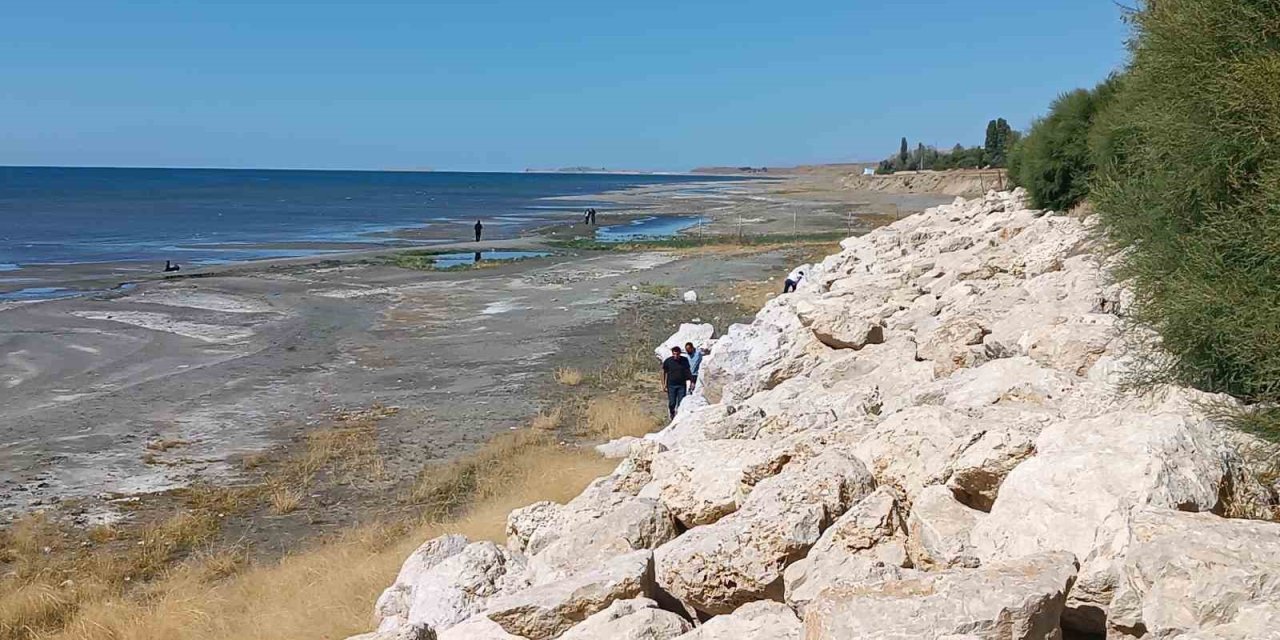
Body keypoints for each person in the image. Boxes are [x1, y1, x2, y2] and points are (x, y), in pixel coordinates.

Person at [661, 346, 692, 419]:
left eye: (677, 354)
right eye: (674, 354)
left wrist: (691, 381)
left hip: (682, 385)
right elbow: (663, 372)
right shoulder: (668, 361)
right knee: (672, 403)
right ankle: (672, 412)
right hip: (671, 385)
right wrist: (663, 385)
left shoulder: (684, 360)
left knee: (681, 403)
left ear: (680, 353)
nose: (676, 356)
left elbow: (688, 371)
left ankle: (679, 418)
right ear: (672, 353)